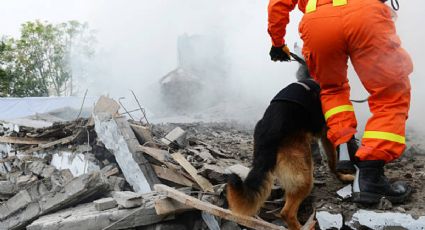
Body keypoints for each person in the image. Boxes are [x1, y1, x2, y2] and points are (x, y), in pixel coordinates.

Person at [268, 0, 413, 204]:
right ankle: (370, 175)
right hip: (364, 13)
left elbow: (278, 3)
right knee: (390, 94)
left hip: (318, 22)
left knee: (332, 89)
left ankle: (345, 146)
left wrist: (277, 43)